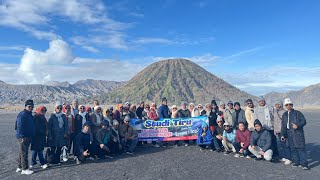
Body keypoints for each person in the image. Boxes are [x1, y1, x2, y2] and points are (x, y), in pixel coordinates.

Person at [281, 98, 309, 170]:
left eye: (290, 104)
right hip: (288, 133)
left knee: (300, 148)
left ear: (292, 105)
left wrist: (297, 125)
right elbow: (283, 125)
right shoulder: (284, 114)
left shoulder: (297, 113)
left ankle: (304, 164)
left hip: (297, 133)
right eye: (286, 105)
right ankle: (297, 162)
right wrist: (283, 135)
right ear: (285, 106)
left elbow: (304, 121)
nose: (288, 106)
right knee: (293, 148)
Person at [15, 100, 35, 175]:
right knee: (24, 153)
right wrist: (22, 136)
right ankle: (25, 169)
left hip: (28, 136)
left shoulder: (29, 114)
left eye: (32, 107)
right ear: (25, 106)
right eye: (29, 106)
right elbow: (19, 126)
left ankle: (19, 166)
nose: (31, 108)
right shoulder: (23, 114)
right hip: (23, 137)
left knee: (21, 152)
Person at [274, 100, 291, 165]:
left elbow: (286, 122)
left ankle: (289, 158)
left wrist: (285, 131)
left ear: (281, 105)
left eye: (278, 104)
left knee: (286, 144)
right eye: (276, 104)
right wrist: (275, 130)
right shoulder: (275, 112)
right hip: (278, 131)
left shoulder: (284, 112)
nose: (277, 105)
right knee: (282, 144)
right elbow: (275, 122)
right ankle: (286, 157)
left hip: (283, 131)